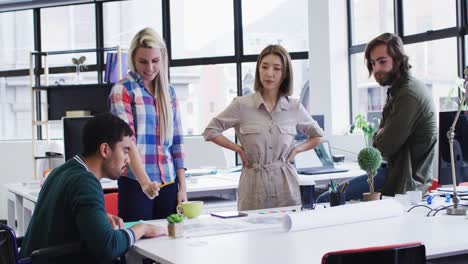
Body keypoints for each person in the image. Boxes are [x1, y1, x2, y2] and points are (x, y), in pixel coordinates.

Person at [20, 113, 167, 263]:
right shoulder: (85, 182)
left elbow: (63, 218)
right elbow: (108, 247)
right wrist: (142, 228)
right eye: (125, 151)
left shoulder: (63, 171)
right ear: (105, 150)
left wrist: (96, 217)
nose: (128, 160)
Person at [317, 33, 437, 202]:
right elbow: (382, 142)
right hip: (392, 172)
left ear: (398, 59)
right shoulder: (397, 90)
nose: (376, 69)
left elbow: (384, 147)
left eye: (382, 61)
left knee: (325, 200)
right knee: (328, 197)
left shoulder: (408, 94)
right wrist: (381, 134)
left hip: (401, 181)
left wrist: (380, 134)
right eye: (373, 63)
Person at [203, 44, 324, 211]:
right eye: (264, 67)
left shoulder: (294, 107)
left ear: (284, 74)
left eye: (276, 68)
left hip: (286, 186)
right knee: (254, 235)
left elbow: (318, 135)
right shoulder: (241, 105)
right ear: (258, 70)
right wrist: (238, 149)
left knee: (288, 235)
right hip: (253, 186)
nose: (269, 73)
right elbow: (210, 131)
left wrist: (297, 150)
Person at [109, 27, 187, 221]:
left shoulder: (168, 92)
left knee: (170, 244)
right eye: (143, 61)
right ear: (133, 59)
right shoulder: (123, 90)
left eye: (155, 61)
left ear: (163, 58)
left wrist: (182, 188)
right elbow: (128, 143)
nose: (149, 68)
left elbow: (177, 142)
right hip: (136, 184)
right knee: (139, 247)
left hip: (168, 183)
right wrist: (145, 182)